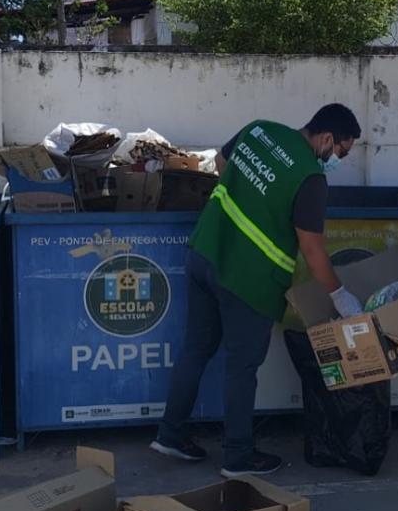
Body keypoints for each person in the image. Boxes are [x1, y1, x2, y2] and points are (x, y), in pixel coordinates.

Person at [151, 104, 363, 477]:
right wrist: (340, 297)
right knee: (242, 367)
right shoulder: (311, 177)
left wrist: (251, 201)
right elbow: (312, 250)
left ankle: (169, 434)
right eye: (341, 151)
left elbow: (219, 162)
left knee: (195, 349)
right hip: (246, 281)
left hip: (204, 254)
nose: (337, 159)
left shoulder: (259, 129)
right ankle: (237, 456)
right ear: (327, 138)